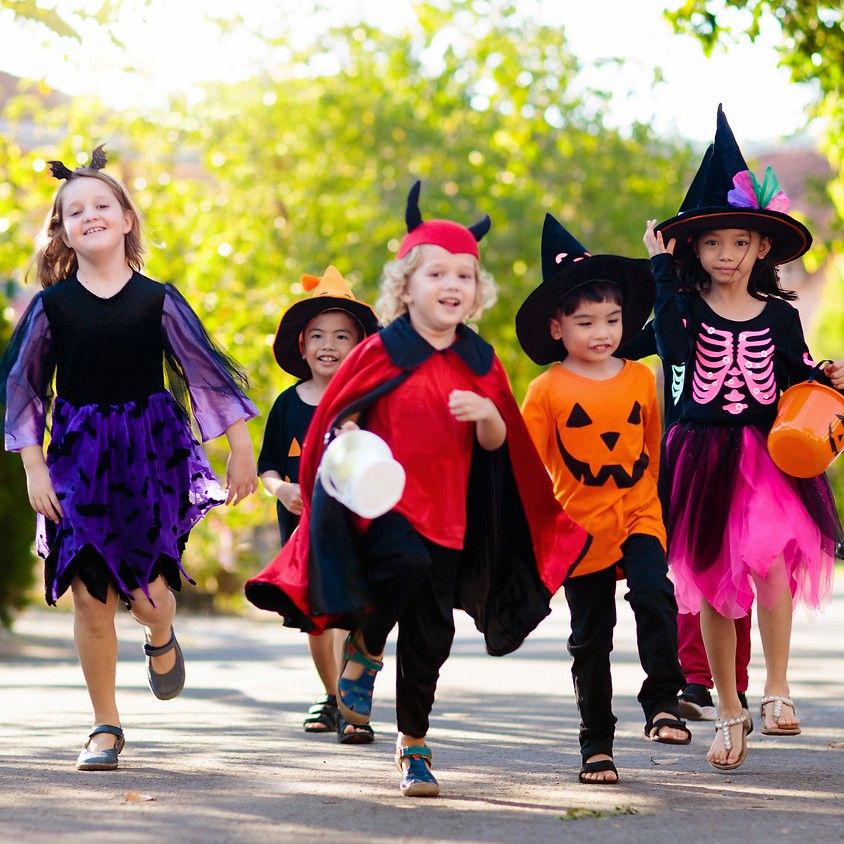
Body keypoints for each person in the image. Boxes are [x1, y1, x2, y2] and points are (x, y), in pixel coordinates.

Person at [246, 181, 589, 797]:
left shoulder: (480, 360)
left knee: (434, 633)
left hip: (452, 514)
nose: (452, 284)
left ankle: (414, 744)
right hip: (384, 508)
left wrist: (485, 418)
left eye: (465, 274)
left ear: (476, 290)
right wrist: (347, 431)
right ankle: (368, 645)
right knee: (402, 560)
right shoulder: (379, 350)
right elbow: (337, 421)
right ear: (406, 285)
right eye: (437, 273)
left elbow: (499, 448)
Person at [0, 146, 258, 771]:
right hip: (77, 460)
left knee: (147, 596)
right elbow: (23, 387)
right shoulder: (51, 308)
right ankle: (104, 726)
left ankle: (161, 634)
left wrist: (241, 450)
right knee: (91, 595)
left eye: (101, 205)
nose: (89, 215)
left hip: (151, 455)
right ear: (60, 230)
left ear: (125, 219)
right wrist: (34, 467)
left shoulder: (157, 299)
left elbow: (205, 376)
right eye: (74, 210)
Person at [644, 104, 843, 772]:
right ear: (691, 250)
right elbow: (671, 346)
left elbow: (794, 377)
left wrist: (824, 376)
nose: (725, 254)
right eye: (711, 243)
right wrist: (661, 272)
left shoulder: (781, 317)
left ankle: (777, 690)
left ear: (761, 247)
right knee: (714, 588)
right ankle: (728, 707)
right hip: (702, 456)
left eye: (738, 242)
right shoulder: (684, 309)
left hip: (765, 455)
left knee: (773, 564)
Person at [517, 213, 689, 786]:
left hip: (639, 511)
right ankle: (597, 745)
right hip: (579, 527)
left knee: (654, 594)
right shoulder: (546, 391)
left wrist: (660, 510)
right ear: (558, 329)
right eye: (586, 321)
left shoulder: (641, 377)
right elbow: (524, 469)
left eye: (613, 320)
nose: (602, 332)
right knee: (591, 639)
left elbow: (652, 450)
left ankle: (663, 698)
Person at [258, 265, 378, 743]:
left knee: (354, 612)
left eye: (342, 336)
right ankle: (331, 694)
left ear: (358, 346)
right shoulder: (288, 404)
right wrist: (282, 490)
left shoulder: (368, 403)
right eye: (319, 336)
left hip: (355, 526)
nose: (329, 345)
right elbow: (269, 467)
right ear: (302, 345)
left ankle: (352, 702)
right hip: (302, 528)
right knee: (316, 616)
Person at [622, 322, 753, 725]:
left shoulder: (756, 310)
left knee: (737, 567)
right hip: (685, 456)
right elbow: (621, 343)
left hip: (745, 454)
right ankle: (696, 678)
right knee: (691, 568)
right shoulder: (674, 309)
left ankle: (737, 683)